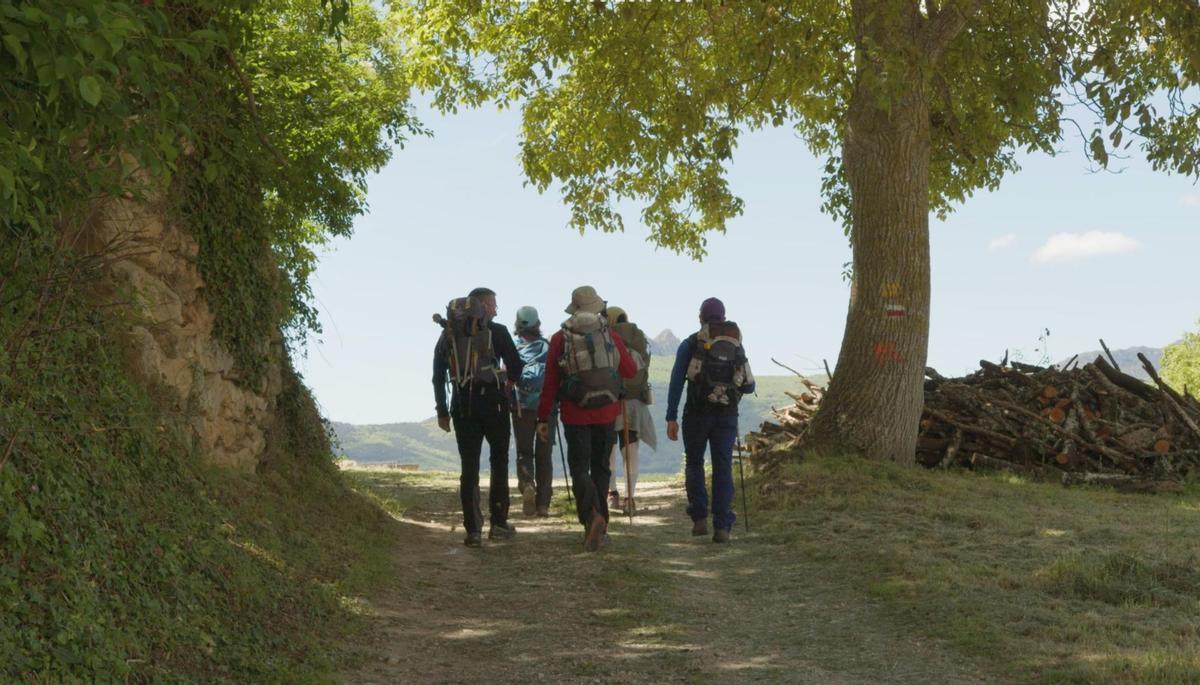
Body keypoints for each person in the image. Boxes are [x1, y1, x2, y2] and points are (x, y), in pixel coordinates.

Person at [536, 286, 636, 552]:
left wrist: (543, 417)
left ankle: (591, 518)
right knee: (602, 467)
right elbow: (630, 368)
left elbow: (550, 382)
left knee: (580, 467)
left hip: (574, 413)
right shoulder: (609, 335)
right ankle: (602, 525)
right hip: (606, 412)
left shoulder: (560, 338)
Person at [432, 287, 524, 548]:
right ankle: (498, 523)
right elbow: (516, 367)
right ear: (482, 306)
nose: (495, 309)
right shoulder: (499, 332)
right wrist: (505, 383)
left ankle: (473, 530)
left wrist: (441, 411)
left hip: (462, 406)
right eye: (493, 304)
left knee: (469, 466)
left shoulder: (448, 334)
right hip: (494, 404)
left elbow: (438, 375)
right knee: (499, 461)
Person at [665, 297, 755, 543]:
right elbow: (749, 386)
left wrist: (671, 416)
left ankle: (699, 519)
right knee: (722, 467)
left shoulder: (691, 344)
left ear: (701, 318)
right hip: (726, 415)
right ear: (724, 318)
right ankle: (723, 525)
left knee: (694, 463)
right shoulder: (736, 344)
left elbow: (675, 382)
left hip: (696, 413)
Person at [604, 306, 656, 515]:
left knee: (609, 448)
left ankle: (612, 493)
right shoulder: (639, 337)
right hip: (635, 400)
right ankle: (630, 498)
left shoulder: (606, 336)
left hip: (611, 399)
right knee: (631, 449)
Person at [510, 305, 555, 517]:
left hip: (522, 407)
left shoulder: (513, 347)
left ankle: (527, 484)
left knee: (524, 452)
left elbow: (507, 377)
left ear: (518, 325)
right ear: (538, 324)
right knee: (544, 455)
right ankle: (543, 504)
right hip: (546, 408)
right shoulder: (547, 346)